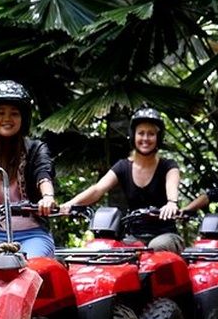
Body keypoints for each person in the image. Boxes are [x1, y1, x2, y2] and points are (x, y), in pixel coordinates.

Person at [59, 107, 183, 253]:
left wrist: (171, 203)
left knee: (155, 249)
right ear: (133, 135)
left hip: (165, 235)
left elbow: (172, 186)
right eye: (141, 133)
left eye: (151, 134)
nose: (145, 138)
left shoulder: (168, 165)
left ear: (158, 138)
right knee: (112, 252)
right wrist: (70, 204)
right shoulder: (123, 166)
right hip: (134, 236)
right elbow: (98, 189)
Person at [0, 80, 57, 258]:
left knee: (27, 267)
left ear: (23, 119)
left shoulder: (35, 149)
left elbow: (43, 173)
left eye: (14, 114)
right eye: (1, 113)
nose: (7, 119)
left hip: (33, 235)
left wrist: (48, 197)